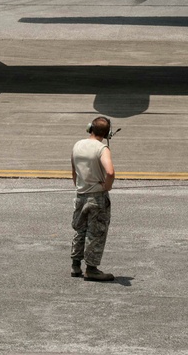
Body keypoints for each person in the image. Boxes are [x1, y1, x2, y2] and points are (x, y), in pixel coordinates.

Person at [70, 115, 116, 282]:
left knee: (80, 230)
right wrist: (107, 186)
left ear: (90, 128)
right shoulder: (102, 149)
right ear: (107, 133)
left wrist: (80, 186)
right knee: (96, 232)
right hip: (97, 197)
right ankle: (92, 269)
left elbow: (74, 171)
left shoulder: (77, 145)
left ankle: (75, 265)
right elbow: (110, 172)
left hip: (80, 195)